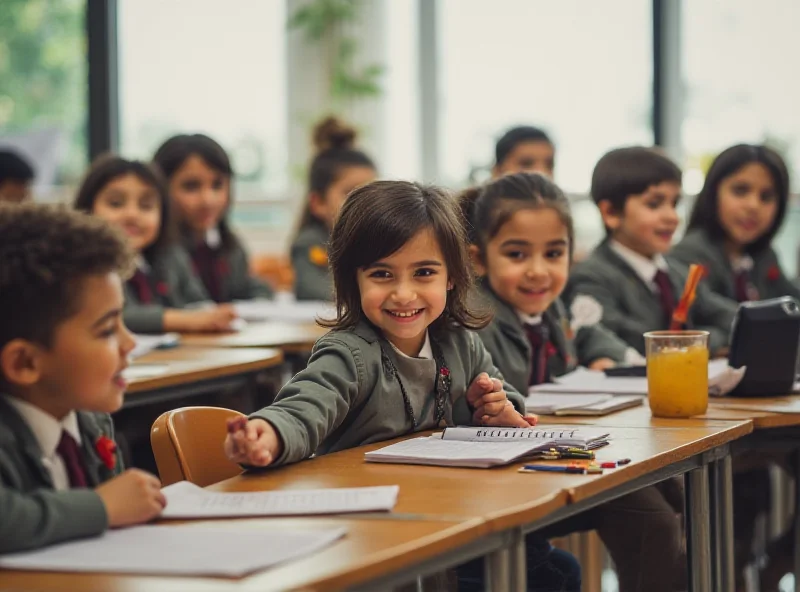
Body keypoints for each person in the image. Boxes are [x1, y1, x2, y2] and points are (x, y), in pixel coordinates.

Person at [225, 180, 580, 592]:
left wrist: (501, 411)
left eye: (424, 272)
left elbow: (505, 398)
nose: (404, 293)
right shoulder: (349, 353)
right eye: (382, 274)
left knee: (550, 565)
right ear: (352, 280)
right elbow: (302, 409)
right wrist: (265, 436)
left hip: (448, 521)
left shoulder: (460, 342)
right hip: (375, 537)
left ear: (452, 276)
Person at [462, 172, 685, 592]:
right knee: (652, 519)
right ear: (478, 259)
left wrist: (613, 357)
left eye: (554, 253)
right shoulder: (477, 318)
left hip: (556, 453)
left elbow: (588, 332)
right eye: (516, 254)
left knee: (672, 495)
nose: (538, 271)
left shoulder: (552, 305)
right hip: (509, 471)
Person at [0, 203, 165, 554]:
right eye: (107, 330)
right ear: (25, 362)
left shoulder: (88, 420)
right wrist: (101, 507)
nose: (130, 343)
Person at [563, 146, 737, 357]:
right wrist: (701, 341)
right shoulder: (591, 275)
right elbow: (616, 338)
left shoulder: (677, 273)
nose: (672, 217)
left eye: (674, 203)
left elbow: (734, 321)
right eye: (654, 204)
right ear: (610, 213)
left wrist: (698, 339)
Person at [74, 155, 237, 334]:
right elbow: (117, 317)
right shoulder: (87, 266)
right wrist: (183, 320)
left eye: (146, 205)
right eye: (116, 204)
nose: (132, 215)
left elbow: (198, 302)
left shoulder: (170, 255)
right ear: (87, 209)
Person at [153, 134, 274, 302]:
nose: (207, 200)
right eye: (191, 186)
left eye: (217, 185)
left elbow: (248, 287)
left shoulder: (229, 246)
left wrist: (260, 298)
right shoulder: (157, 253)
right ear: (160, 189)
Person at [671, 143, 799, 302]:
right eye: (740, 191)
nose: (753, 206)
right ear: (713, 193)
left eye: (766, 197)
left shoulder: (763, 255)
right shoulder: (688, 255)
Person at [291, 116, 377, 301]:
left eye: (371, 192)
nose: (364, 202)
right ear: (318, 203)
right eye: (350, 192)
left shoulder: (377, 242)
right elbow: (312, 289)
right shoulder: (310, 242)